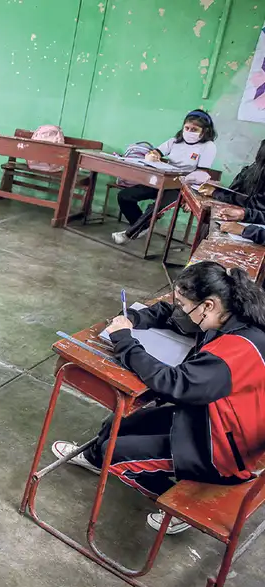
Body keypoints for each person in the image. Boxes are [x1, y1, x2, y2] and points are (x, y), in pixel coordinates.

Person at [52, 261, 265, 535]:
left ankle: (183, 505)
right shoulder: (228, 316)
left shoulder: (235, 352)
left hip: (221, 451)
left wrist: (125, 341)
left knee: (113, 453)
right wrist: (131, 320)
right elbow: (171, 315)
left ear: (208, 305)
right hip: (206, 418)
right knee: (116, 425)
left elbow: (170, 383)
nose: (181, 310)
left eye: (185, 305)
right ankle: (95, 460)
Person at [113, 110, 218, 245]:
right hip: (163, 181)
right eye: (187, 128)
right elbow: (156, 152)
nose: (189, 132)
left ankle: (129, 234)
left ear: (205, 131)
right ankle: (141, 226)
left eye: (194, 129)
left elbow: (201, 174)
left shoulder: (208, 146)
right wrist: (153, 156)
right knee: (125, 196)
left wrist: (191, 196)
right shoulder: (174, 141)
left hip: (182, 187)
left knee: (155, 207)